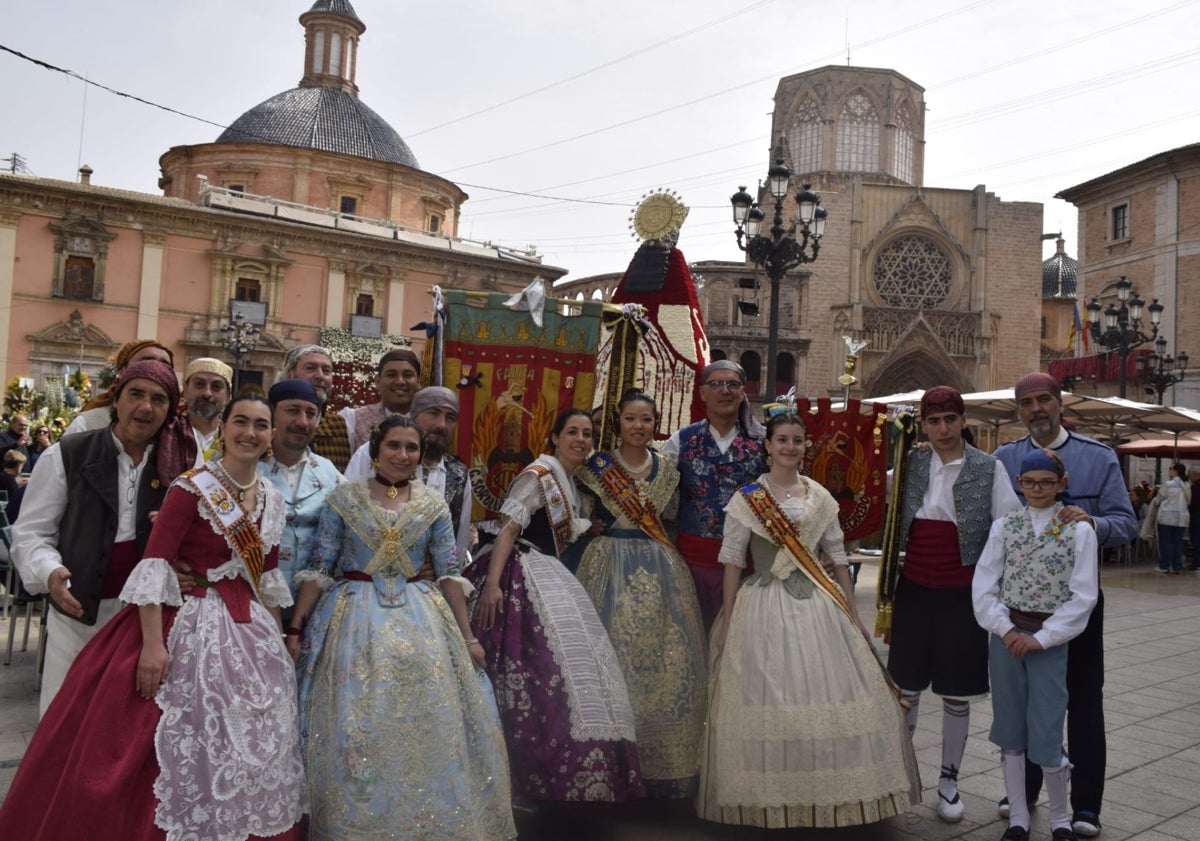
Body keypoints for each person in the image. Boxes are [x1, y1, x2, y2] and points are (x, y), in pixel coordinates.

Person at [0, 392, 305, 840]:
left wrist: (277, 646)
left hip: (247, 634)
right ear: (223, 428)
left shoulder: (272, 500)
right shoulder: (190, 488)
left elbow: (270, 583)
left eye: (261, 426)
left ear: (272, 436)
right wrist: (153, 647)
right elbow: (155, 566)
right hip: (183, 628)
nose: (250, 433)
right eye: (240, 421)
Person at [290, 415, 514, 840]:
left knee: (426, 723)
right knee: (358, 721)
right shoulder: (344, 499)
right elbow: (320, 568)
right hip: (353, 618)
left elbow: (449, 572)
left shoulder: (432, 505)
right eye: (394, 446)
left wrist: (467, 638)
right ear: (375, 451)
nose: (403, 455)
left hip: (422, 618)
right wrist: (297, 629)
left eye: (411, 448)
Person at [698, 412, 920, 828]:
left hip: (819, 603)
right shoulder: (748, 498)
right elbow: (731, 562)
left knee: (829, 692)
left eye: (797, 441)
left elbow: (837, 559)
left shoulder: (820, 496)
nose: (789, 447)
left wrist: (852, 614)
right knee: (770, 697)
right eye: (781, 440)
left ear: (805, 446)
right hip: (762, 604)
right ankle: (769, 795)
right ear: (768, 446)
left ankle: (829, 793)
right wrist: (727, 619)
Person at [467, 408, 642, 803]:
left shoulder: (571, 484)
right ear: (555, 437)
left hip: (550, 575)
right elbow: (509, 529)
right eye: (573, 432)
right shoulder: (537, 475)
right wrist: (493, 584)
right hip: (518, 574)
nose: (581, 439)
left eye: (588, 434)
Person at [993, 372, 1138, 839]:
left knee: (1082, 700)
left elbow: (1126, 522)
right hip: (1020, 608)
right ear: (1019, 410)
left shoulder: (1098, 458)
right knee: (1027, 700)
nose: (1035, 408)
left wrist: (1089, 522)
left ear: (1059, 403)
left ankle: (1086, 806)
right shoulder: (1004, 459)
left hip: (1077, 607)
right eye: (1026, 402)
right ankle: (1025, 793)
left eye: (1043, 400)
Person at [12, 360, 181, 716]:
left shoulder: (176, 467)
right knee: (67, 717)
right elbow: (30, 533)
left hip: (144, 622)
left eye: (158, 399)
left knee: (122, 727)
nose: (145, 407)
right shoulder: (69, 454)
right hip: (79, 614)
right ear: (116, 400)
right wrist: (49, 572)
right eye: (135, 394)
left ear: (168, 412)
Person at [887, 386, 1022, 822]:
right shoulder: (910, 462)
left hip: (962, 593)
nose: (942, 428)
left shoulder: (990, 468)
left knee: (956, 692)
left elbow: (1007, 530)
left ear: (963, 420)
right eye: (934, 420)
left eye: (950, 419)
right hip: (912, 589)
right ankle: (900, 776)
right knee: (905, 688)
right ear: (923, 424)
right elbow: (878, 505)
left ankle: (949, 780)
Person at [576, 389, 707, 798]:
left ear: (654, 423)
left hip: (659, 567)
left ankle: (664, 764)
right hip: (607, 564)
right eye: (631, 418)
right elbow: (579, 513)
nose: (638, 426)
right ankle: (610, 762)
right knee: (608, 658)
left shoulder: (669, 468)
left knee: (668, 658)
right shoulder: (595, 467)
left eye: (646, 419)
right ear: (619, 421)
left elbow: (671, 517)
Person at [974, 448, 1099, 841]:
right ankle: (1019, 818)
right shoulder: (1005, 526)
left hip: (1049, 641)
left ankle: (1060, 818)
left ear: (1062, 484)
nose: (1038, 489)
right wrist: (1005, 629)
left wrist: (1043, 638)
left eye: (1047, 482)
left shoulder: (1078, 529)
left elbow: (1083, 595)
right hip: (1008, 638)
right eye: (1030, 482)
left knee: (1046, 726)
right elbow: (984, 584)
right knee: (1010, 726)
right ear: (1019, 484)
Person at [661, 360, 766, 631]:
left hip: (747, 566)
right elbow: (654, 489)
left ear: (743, 392)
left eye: (733, 384)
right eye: (716, 384)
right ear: (702, 392)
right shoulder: (681, 440)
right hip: (692, 564)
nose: (725, 391)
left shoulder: (763, 442)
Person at [345, 387, 474, 558]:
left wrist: (441, 572)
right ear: (413, 416)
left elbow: (459, 542)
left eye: (450, 418)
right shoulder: (373, 454)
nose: (442, 425)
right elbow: (346, 515)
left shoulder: (459, 475)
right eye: (433, 413)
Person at [258, 379, 342, 600]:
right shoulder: (247, 467)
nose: (302, 422)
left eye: (311, 413)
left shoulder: (329, 472)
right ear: (271, 413)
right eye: (292, 411)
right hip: (256, 600)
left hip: (313, 603)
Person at [65, 339, 175, 434]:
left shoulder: (176, 430)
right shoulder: (88, 424)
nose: (156, 369)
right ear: (123, 372)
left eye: (165, 366)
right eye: (146, 362)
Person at [281, 344, 353, 473]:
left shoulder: (340, 426)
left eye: (326, 370)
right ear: (289, 374)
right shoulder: (268, 420)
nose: (320, 376)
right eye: (310, 368)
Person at [339, 347, 421, 451]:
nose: (400, 381)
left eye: (407, 375)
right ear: (377, 382)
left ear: (419, 382)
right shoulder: (353, 420)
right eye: (391, 375)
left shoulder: (429, 422)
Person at [180, 356, 232, 466]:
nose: (207, 393)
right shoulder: (169, 432)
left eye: (216, 387)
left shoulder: (234, 438)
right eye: (199, 384)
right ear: (185, 388)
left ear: (228, 395)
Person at [1155, 462, 1191, 574]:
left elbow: (1158, 500)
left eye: (1171, 468)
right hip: (1181, 518)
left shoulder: (1168, 484)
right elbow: (1188, 501)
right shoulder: (1187, 485)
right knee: (1178, 542)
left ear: (1175, 471)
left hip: (1166, 517)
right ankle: (1178, 566)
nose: (1169, 470)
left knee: (1165, 542)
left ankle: (1164, 566)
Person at [1187, 465, 1200, 571]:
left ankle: (1197, 563)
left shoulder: (1195, 487)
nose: (1189, 478)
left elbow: (1191, 502)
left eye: (1190, 475)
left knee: (1196, 539)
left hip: (1196, 515)